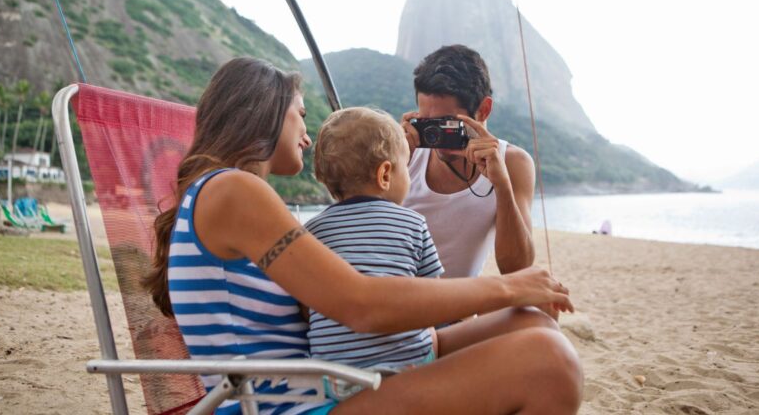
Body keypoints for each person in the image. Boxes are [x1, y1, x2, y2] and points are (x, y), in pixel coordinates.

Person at [144, 57, 583, 414]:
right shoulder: (234, 191)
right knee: (550, 362)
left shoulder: (225, 194)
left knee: (533, 322)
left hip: (313, 387)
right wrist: (508, 286)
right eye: (300, 115)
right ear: (266, 115)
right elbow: (361, 304)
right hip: (292, 408)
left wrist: (511, 300)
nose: (307, 136)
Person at [305, 107, 443, 399]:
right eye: (406, 167)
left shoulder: (311, 232)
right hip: (405, 370)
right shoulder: (413, 222)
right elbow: (435, 297)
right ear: (385, 174)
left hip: (335, 379)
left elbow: (307, 308)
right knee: (431, 331)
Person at [401, 45, 536, 279]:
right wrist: (397, 162)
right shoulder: (406, 153)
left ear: (483, 109)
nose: (437, 137)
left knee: (538, 309)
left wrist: (502, 186)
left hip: (456, 306)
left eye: (448, 124)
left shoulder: (512, 162)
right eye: (427, 124)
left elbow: (517, 270)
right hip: (399, 295)